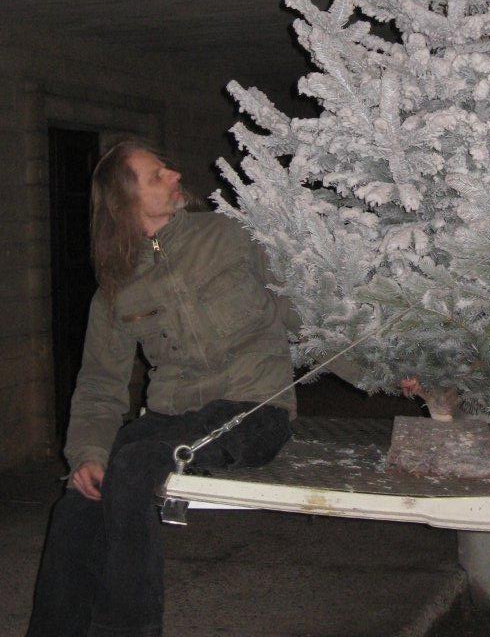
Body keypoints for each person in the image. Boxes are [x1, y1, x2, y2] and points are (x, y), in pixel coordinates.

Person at [27, 140, 295, 637]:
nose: (174, 176)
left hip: (253, 410)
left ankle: (128, 629)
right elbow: (99, 384)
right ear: (125, 201)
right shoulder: (117, 287)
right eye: (156, 175)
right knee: (82, 495)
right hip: (172, 419)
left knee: (133, 467)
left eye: (167, 169)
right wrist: (87, 454)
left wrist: (383, 369)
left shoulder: (230, 236)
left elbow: (301, 309)